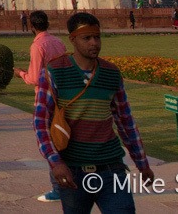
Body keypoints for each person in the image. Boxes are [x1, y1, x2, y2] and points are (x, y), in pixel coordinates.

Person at [34, 12, 154, 211]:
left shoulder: (111, 73)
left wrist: (142, 163)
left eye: (97, 37)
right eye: (86, 38)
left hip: (111, 168)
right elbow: (40, 122)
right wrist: (55, 162)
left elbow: (126, 122)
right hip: (73, 170)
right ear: (73, 39)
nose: (94, 43)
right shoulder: (54, 71)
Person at [14, 10, 68, 202]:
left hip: (46, 99)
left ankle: (58, 188)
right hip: (64, 96)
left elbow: (35, 78)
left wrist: (20, 73)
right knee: (65, 140)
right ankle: (72, 183)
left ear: (32, 27)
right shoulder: (58, 42)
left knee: (51, 142)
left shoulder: (38, 46)